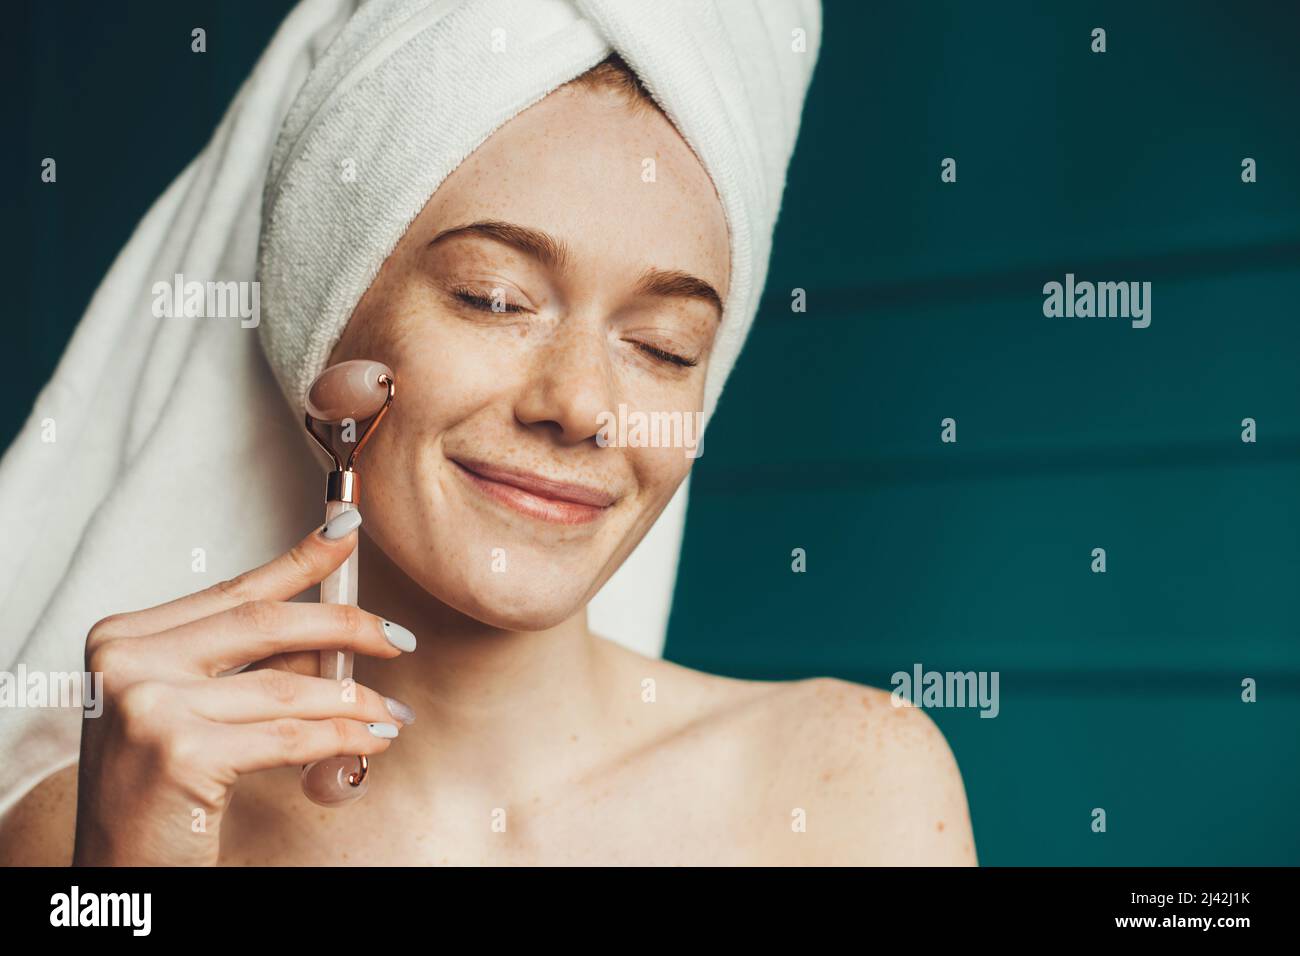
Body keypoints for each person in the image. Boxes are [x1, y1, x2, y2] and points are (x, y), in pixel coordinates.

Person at [0, 3, 975, 866]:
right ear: (321, 323)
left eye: (665, 346)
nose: (583, 402)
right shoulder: (93, 829)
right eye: (494, 298)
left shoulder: (853, 783)